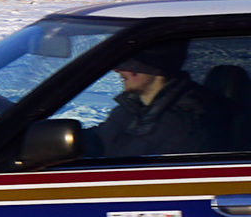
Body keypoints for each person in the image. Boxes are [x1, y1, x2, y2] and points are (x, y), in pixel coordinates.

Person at [86, 42, 217, 157]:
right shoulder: (129, 109)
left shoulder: (184, 124)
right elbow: (99, 140)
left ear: (157, 69)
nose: (118, 70)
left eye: (129, 64)